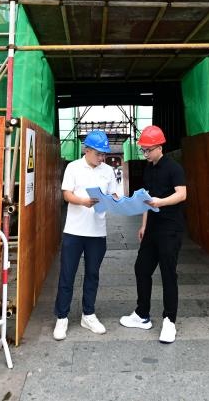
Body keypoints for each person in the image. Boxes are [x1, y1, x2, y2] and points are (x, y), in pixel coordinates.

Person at [119, 124, 187, 343]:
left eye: (148, 150)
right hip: (152, 229)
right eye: (143, 150)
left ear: (159, 147)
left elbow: (182, 194)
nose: (145, 154)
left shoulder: (174, 168)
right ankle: (142, 314)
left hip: (170, 229)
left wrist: (161, 202)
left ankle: (169, 321)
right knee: (141, 268)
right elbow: (147, 200)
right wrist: (143, 225)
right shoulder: (148, 169)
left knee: (168, 274)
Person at [52, 129, 119, 341]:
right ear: (87, 150)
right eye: (98, 154)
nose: (102, 158)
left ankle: (88, 314)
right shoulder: (73, 167)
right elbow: (66, 194)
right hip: (74, 231)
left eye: (104, 154)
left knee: (92, 274)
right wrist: (83, 202)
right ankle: (62, 317)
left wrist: (118, 201)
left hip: (97, 232)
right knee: (67, 275)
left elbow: (114, 194)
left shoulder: (108, 171)